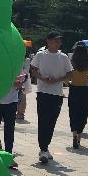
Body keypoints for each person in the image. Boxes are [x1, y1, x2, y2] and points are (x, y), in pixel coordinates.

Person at [30, 31, 73, 164]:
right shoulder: (41, 55)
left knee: (51, 122)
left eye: (59, 40)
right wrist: (42, 78)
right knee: (43, 121)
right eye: (56, 40)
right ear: (48, 41)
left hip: (57, 93)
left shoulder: (64, 57)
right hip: (43, 92)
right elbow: (33, 69)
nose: (58, 42)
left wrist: (58, 79)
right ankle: (42, 149)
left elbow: (70, 73)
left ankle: (45, 147)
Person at [0, 73, 25, 169]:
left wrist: (20, 84)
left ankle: (8, 155)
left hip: (11, 101)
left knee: (9, 128)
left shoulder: (17, 65)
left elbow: (22, 81)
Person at [68, 43, 88, 148]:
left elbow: (67, 80)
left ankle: (74, 134)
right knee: (83, 114)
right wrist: (87, 79)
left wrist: (71, 81)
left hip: (74, 90)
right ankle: (79, 136)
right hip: (84, 91)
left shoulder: (71, 65)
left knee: (73, 113)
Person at [15, 50, 32, 120]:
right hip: (18, 79)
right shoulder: (17, 58)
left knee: (22, 97)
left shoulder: (26, 59)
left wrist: (22, 80)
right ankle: (18, 112)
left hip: (24, 79)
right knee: (17, 96)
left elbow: (26, 70)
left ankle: (21, 113)